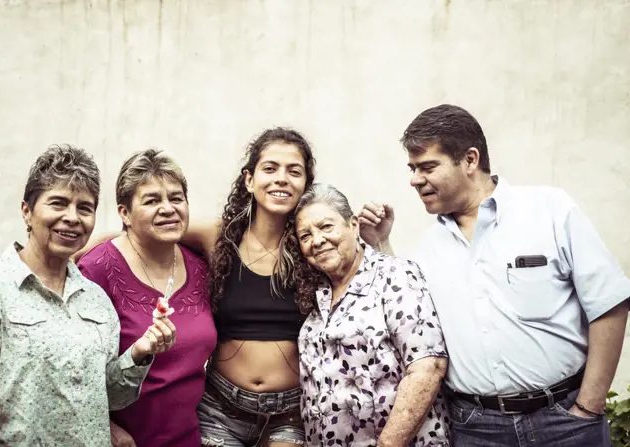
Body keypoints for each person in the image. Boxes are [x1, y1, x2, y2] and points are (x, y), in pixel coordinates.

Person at [359, 104, 630, 446]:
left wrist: (588, 407)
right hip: (477, 429)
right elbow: (410, 317)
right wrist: (381, 242)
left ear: (470, 160)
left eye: (427, 167)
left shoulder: (549, 209)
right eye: (412, 169)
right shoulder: (428, 248)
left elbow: (609, 304)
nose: (414, 180)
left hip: (565, 423)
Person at [75, 128, 320, 446]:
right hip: (223, 408)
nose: (282, 179)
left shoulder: (313, 242)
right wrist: (90, 244)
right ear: (249, 179)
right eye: (270, 168)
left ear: (305, 185)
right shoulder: (220, 237)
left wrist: (378, 238)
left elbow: (357, 269)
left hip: (288, 411)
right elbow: (152, 226)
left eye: (294, 171)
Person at [0, 145, 176, 446]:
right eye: (58, 203)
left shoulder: (95, 299)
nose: (72, 217)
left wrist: (139, 353)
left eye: (85, 208)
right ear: (27, 211)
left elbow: (109, 396)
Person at [77, 149, 217, 447]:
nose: (167, 208)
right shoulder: (96, 270)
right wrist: (108, 427)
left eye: (176, 198)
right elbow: (72, 371)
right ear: (124, 214)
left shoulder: (202, 267)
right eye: (152, 200)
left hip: (189, 438)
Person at [294, 183, 449, 447]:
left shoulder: (396, 275)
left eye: (326, 227)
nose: (317, 240)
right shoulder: (316, 292)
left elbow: (428, 368)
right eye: (305, 235)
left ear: (353, 225)